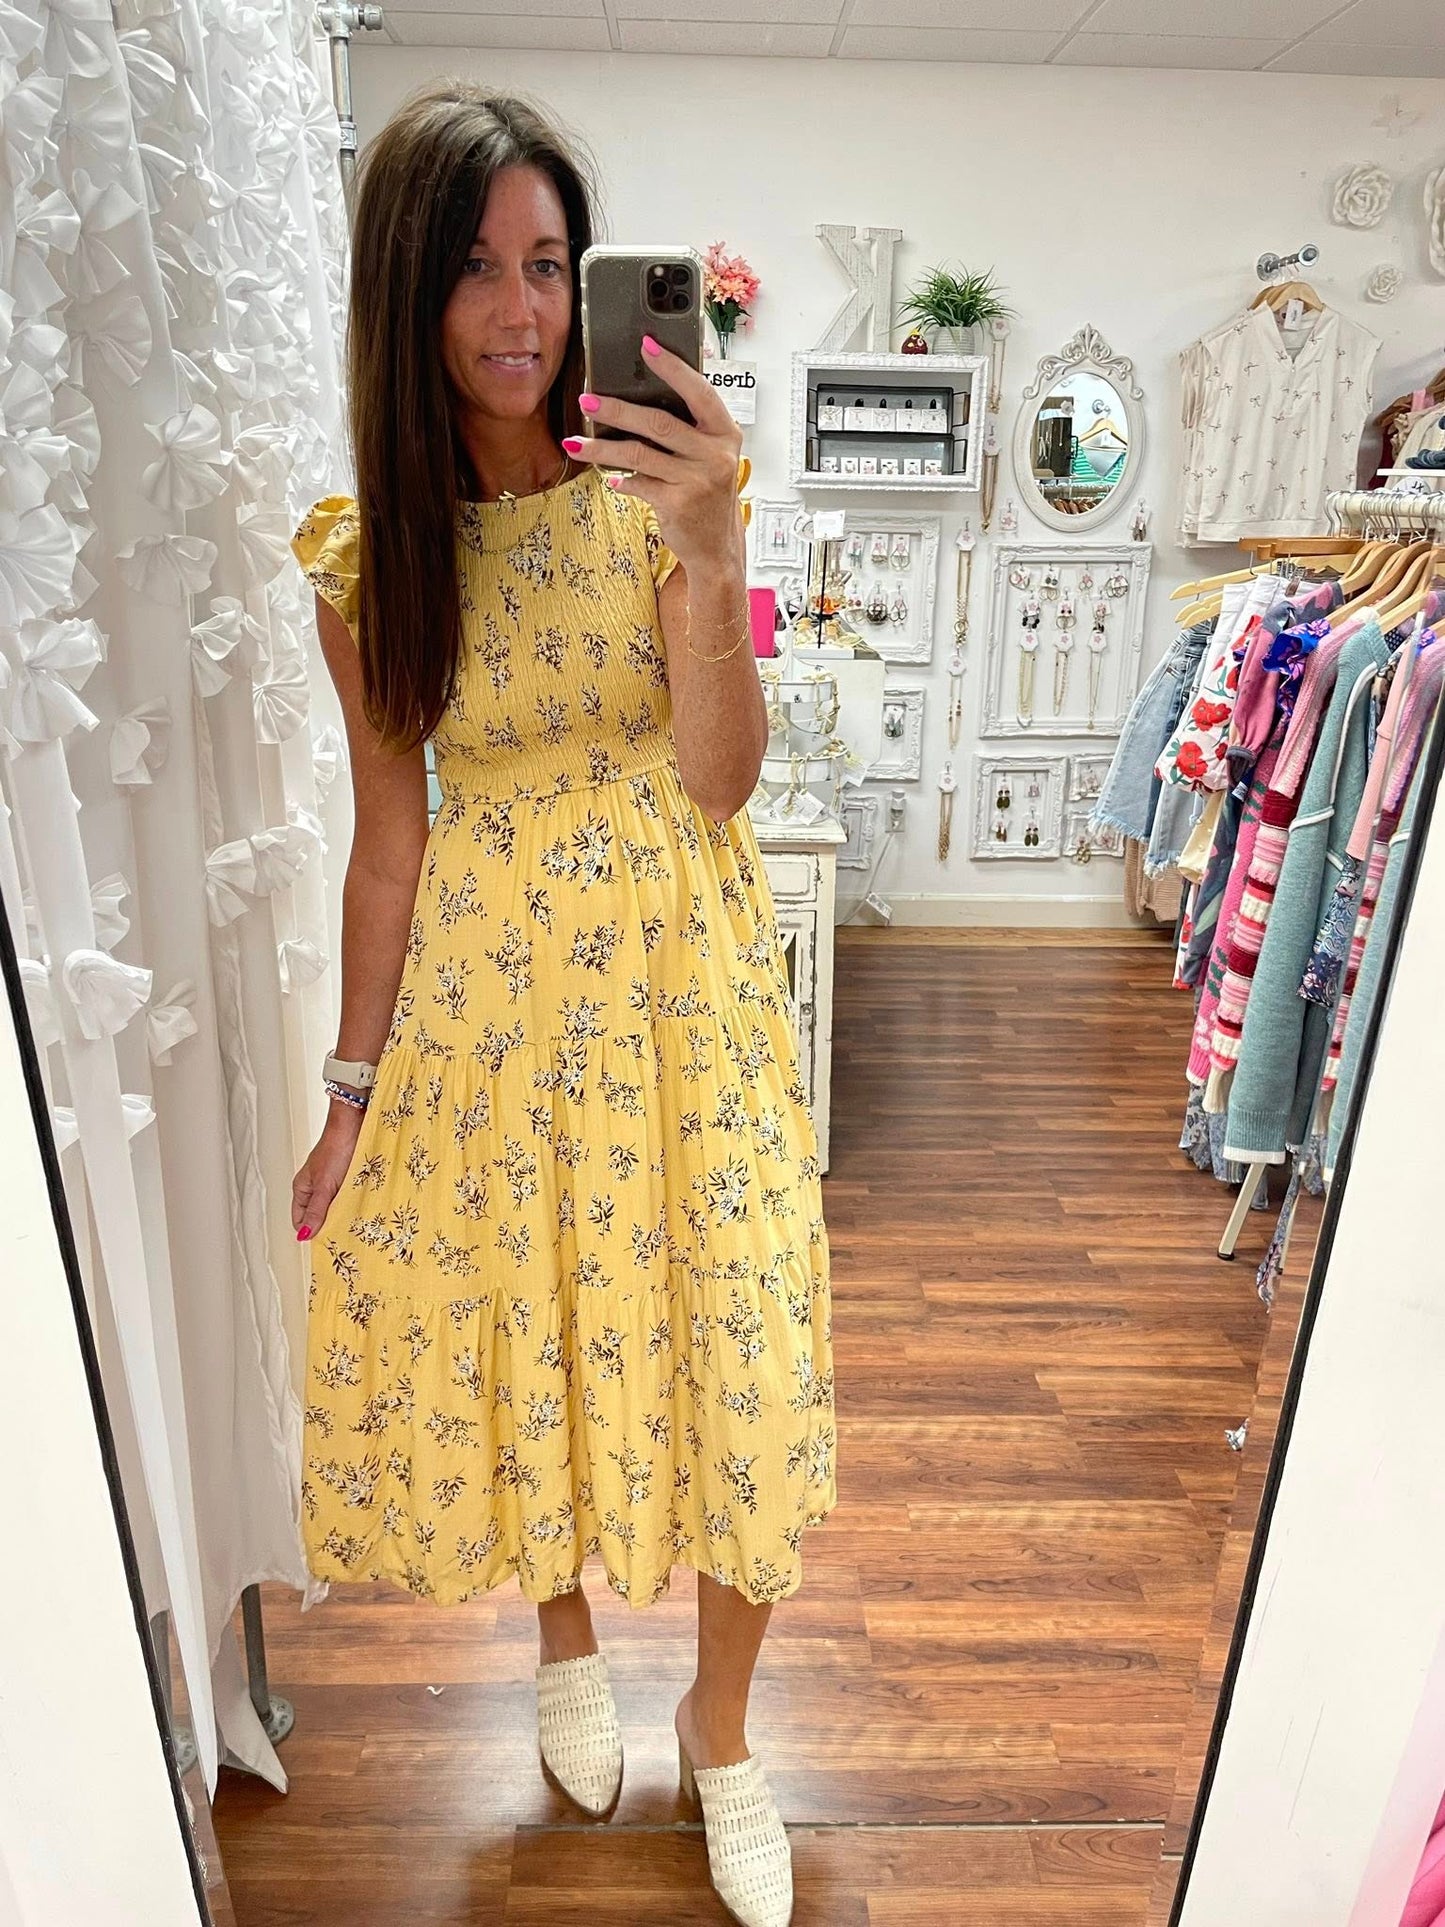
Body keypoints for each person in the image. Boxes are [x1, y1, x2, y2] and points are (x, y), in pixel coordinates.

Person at [287, 81, 836, 1927]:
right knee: (535, 1324)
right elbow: (388, 847)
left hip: (686, 996)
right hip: (492, 1015)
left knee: (737, 1343)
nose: (519, 312)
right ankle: (564, 1636)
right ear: (403, 298)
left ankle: (730, 1731)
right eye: (472, 270)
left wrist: (708, 548)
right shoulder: (371, 559)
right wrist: (352, 1090)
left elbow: (719, 778)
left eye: (548, 264)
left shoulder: (667, 494)